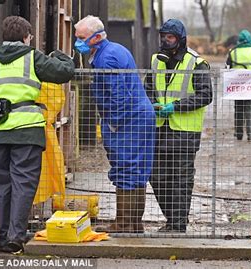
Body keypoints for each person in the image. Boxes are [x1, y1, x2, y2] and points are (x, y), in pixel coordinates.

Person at [0, 16, 75, 253]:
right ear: (27, 37)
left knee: (1, 186)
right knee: (23, 183)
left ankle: (4, 237)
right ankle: (16, 236)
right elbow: (64, 72)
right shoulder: (32, 57)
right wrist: (61, 56)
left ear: (4, 37)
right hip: (26, 132)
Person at [74, 15, 155, 233]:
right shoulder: (114, 50)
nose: (77, 42)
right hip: (138, 116)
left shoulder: (105, 58)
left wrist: (113, 123)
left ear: (96, 37)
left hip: (128, 120)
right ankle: (134, 224)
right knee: (136, 170)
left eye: (81, 37)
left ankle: (124, 224)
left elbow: (118, 95)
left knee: (125, 168)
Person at [145, 19, 213, 232]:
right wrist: (151, 104)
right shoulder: (156, 60)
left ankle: (177, 223)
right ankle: (173, 218)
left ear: (180, 39)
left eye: (170, 37)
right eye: (163, 36)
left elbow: (205, 95)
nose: (165, 41)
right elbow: (147, 88)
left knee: (181, 181)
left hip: (185, 132)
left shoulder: (197, 63)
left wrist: (175, 107)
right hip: (160, 129)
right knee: (156, 176)